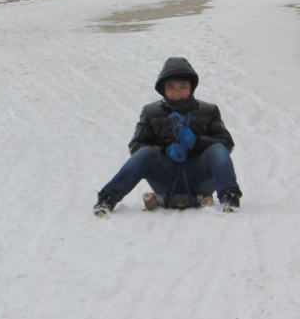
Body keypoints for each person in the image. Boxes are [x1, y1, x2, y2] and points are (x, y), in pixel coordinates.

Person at [94, 57, 243, 216]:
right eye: (171, 87)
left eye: (182, 87)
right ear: (163, 89)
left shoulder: (209, 111)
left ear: (191, 87)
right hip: (165, 177)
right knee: (145, 153)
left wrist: (197, 141)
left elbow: (227, 144)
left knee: (218, 149)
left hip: (200, 178)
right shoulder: (151, 112)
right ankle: (107, 199)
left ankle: (229, 198)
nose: (177, 92)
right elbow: (136, 146)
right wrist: (165, 150)